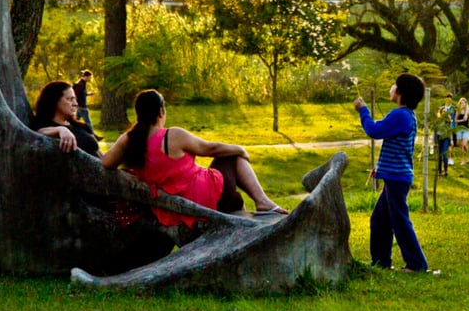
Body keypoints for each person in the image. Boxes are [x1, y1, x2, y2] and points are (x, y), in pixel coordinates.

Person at [101, 89, 287, 228]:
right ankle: (263, 201)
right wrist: (240, 149)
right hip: (205, 200)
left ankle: (254, 206)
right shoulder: (172, 135)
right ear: (161, 112)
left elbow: (106, 162)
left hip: (170, 211)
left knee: (231, 188)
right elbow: (210, 148)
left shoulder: (129, 139)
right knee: (232, 158)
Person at [352, 73, 429, 273]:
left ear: (401, 92)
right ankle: (381, 264)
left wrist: (363, 111)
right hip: (395, 176)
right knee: (379, 220)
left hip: (397, 178)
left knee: (400, 221)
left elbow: (374, 130)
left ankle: (417, 264)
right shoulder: (406, 116)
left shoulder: (400, 115)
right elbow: (398, 148)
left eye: (395, 85)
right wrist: (381, 169)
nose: (392, 88)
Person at [31, 80, 101, 156]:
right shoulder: (42, 125)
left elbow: (101, 156)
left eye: (75, 99)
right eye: (70, 99)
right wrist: (60, 129)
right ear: (54, 101)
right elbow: (37, 134)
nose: (75, 104)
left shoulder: (82, 127)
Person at [453, 97, 469, 165]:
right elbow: (455, 120)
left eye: (464, 103)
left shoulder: (468, 110)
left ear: (466, 103)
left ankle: (464, 160)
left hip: (466, 129)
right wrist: (462, 120)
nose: (462, 104)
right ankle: (465, 158)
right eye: (461, 103)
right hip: (459, 129)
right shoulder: (458, 111)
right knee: (461, 146)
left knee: (464, 145)